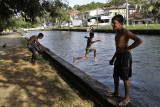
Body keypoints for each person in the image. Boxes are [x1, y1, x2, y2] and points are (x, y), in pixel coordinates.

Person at [108, 15, 142, 106]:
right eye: (112, 23)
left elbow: (138, 41)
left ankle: (127, 98)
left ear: (120, 23)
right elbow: (117, 48)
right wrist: (112, 58)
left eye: (114, 23)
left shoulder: (125, 32)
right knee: (115, 75)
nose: (112, 25)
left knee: (125, 78)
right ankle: (116, 92)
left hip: (125, 57)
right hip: (118, 56)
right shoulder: (117, 34)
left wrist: (129, 48)